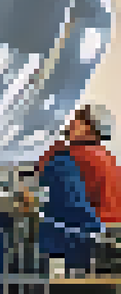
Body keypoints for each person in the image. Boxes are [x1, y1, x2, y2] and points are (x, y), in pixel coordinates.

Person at [35, 104, 121, 275]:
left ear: (91, 128)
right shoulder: (107, 156)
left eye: (78, 119)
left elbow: (43, 171)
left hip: (89, 234)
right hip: (111, 230)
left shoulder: (75, 156)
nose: (71, 123)